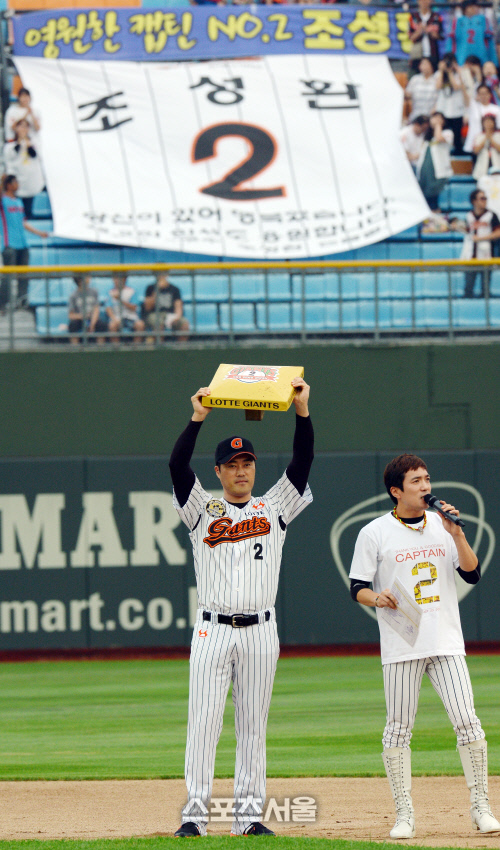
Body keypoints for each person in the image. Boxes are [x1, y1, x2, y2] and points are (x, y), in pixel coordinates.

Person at [169, 378, 313, 838]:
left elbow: (302, 461)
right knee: (204, 723)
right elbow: (175, 465)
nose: (242, 470)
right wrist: (197, 418)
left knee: (253, 726)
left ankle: (249, 817)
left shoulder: (274, 507)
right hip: (212, 629)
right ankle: (194, 817)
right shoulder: (201, 510)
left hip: (260, 631)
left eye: (247, 462)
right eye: (232, 464)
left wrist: (302, 412)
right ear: (218, 471)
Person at [349, 453, 500, 841]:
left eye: (427, 478)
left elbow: (472, 572)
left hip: (445, 640)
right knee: (399, 729)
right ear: (396, 491)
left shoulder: (442, 525)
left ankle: (482, 807)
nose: (426, 487)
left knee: (467, 722)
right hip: (402, 644)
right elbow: (357, 588)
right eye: (416, 481)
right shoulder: (374, 532)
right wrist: (376, 598)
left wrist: (457, 533)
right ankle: (404, 815)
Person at [0, 174, 48, 308]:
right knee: (8, 276)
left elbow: (23, 222)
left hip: (23, 244)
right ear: (8, 185)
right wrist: (2, 180)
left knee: (23, 275)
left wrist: (39, 233)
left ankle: (22, 301)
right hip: (9, 244)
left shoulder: (18, 201)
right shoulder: (3, 201)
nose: (18, 185)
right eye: (15, 182)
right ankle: (2, 303)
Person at [461, 188, 500, 297]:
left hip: (486, 255)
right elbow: (467, 232)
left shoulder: (491, 215)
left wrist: (482, 238)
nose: (485, 201)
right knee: (468, 288)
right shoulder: (469, 216)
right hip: (470, 256)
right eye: (482, 198)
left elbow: (498, 232)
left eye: (485, 198)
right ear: (474, 201)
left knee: (485, 289)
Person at [3, 118, 45, 219]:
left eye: (26, 126)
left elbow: (34, 156)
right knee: (14, 211)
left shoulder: (34, 143)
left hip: (30, 180)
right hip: (16, 182)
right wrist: (19, 141)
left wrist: (27, 143)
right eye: (21, 126)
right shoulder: (10, 145)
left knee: (28, 210)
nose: (23, 129)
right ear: (16, 128)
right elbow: (11, 156)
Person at [416, 111, 453, 211]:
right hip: (425, 173)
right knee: (424, 200)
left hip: (437, 173)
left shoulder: (447, 133)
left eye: (439, 118)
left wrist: (438, 125)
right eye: (434, 118)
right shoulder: (426, 137)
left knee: (433, 199)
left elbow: (439, 138)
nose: (436, 120)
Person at [434, 53, 468, 154]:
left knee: (456, 134)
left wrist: (450, 73)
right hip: (443, 108)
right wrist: (441, 70)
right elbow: (438, 86)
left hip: (456, 109)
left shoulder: (459, 74)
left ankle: (458, 151)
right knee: (444, 131)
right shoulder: (439, 74)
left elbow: (456, 86)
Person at [447, 0, 496, 67]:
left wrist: (494, 61)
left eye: (476, 6)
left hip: (481, 56)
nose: (474, 8)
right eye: (471, 6)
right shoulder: (457, 21)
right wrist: (449, 60)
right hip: (461, 57)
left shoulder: (483, 20)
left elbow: (490, 42)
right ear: (465, 9)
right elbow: (451, 42)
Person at [142, 272, 189, 342]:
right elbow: (147, 307)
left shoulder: (175, 289)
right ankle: (160, 350)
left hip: (170, 315)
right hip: (155, 314)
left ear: (167, 274)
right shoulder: (150, 288)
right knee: (158, 323)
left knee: (184, 324)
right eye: (158, 273)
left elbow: (178, 306)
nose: (161, 275)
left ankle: (182, 349)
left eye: (163, 273)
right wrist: (157, 290)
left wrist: (177, 317)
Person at [105, 272, 145, 344]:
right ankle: (116, 350)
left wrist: (120, 299)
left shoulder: (132, 291)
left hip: (130, 317)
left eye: (118, 278)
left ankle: (136, 349)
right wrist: (114, 319)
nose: (115, 280)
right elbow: (108, 308)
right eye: (114, 278)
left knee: (140, 325)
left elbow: (134, 308)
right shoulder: (110, 292)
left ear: (124, 279)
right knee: (112, 325)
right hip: (117, 317)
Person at [68, 274, 108, 344]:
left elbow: (96, 309)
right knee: (72, 325)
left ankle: (100, 349)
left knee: (102, 325)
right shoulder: (73, 295)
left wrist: (92, 323)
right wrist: (83, 316)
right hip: (80, 319)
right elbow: (71, 315)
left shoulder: (94, 292)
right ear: (80, 281)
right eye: (86, 277)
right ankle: (74, 349)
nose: (89, 278)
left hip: (92, 318)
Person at [408, 0, 444, 73]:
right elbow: (411, 37)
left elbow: (441, 36)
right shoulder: (413, 17)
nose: (424, 2)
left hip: (433, 53)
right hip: (418, 55)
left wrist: (431, 32)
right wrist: (420, 30)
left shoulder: (436, 17)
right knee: (416, 77)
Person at [464, 83, 500, 152]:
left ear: (490, 94)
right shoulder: (473, 107)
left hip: (492, 145)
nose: (484, 96)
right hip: (475, 144)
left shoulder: (497, 109)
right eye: (481, 93)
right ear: (478, 95)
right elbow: (465, 97)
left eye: (485, 93)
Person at [405, 58, 438, 123]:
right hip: (416, 115)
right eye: (421, 64)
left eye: (425, 64)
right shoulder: (415, 79)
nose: (423, 66)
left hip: (430, 116)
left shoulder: (436, 80)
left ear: (432, 66)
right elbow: (408, 95)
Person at [472, 114, 500, 178]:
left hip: (497, 164)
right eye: (486, 122)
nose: (488, 124)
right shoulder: (478, 136)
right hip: (483, 165)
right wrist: (486, 137)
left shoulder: (498, 135)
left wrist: (491, 138)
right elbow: (475, 151)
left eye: (490, 121)